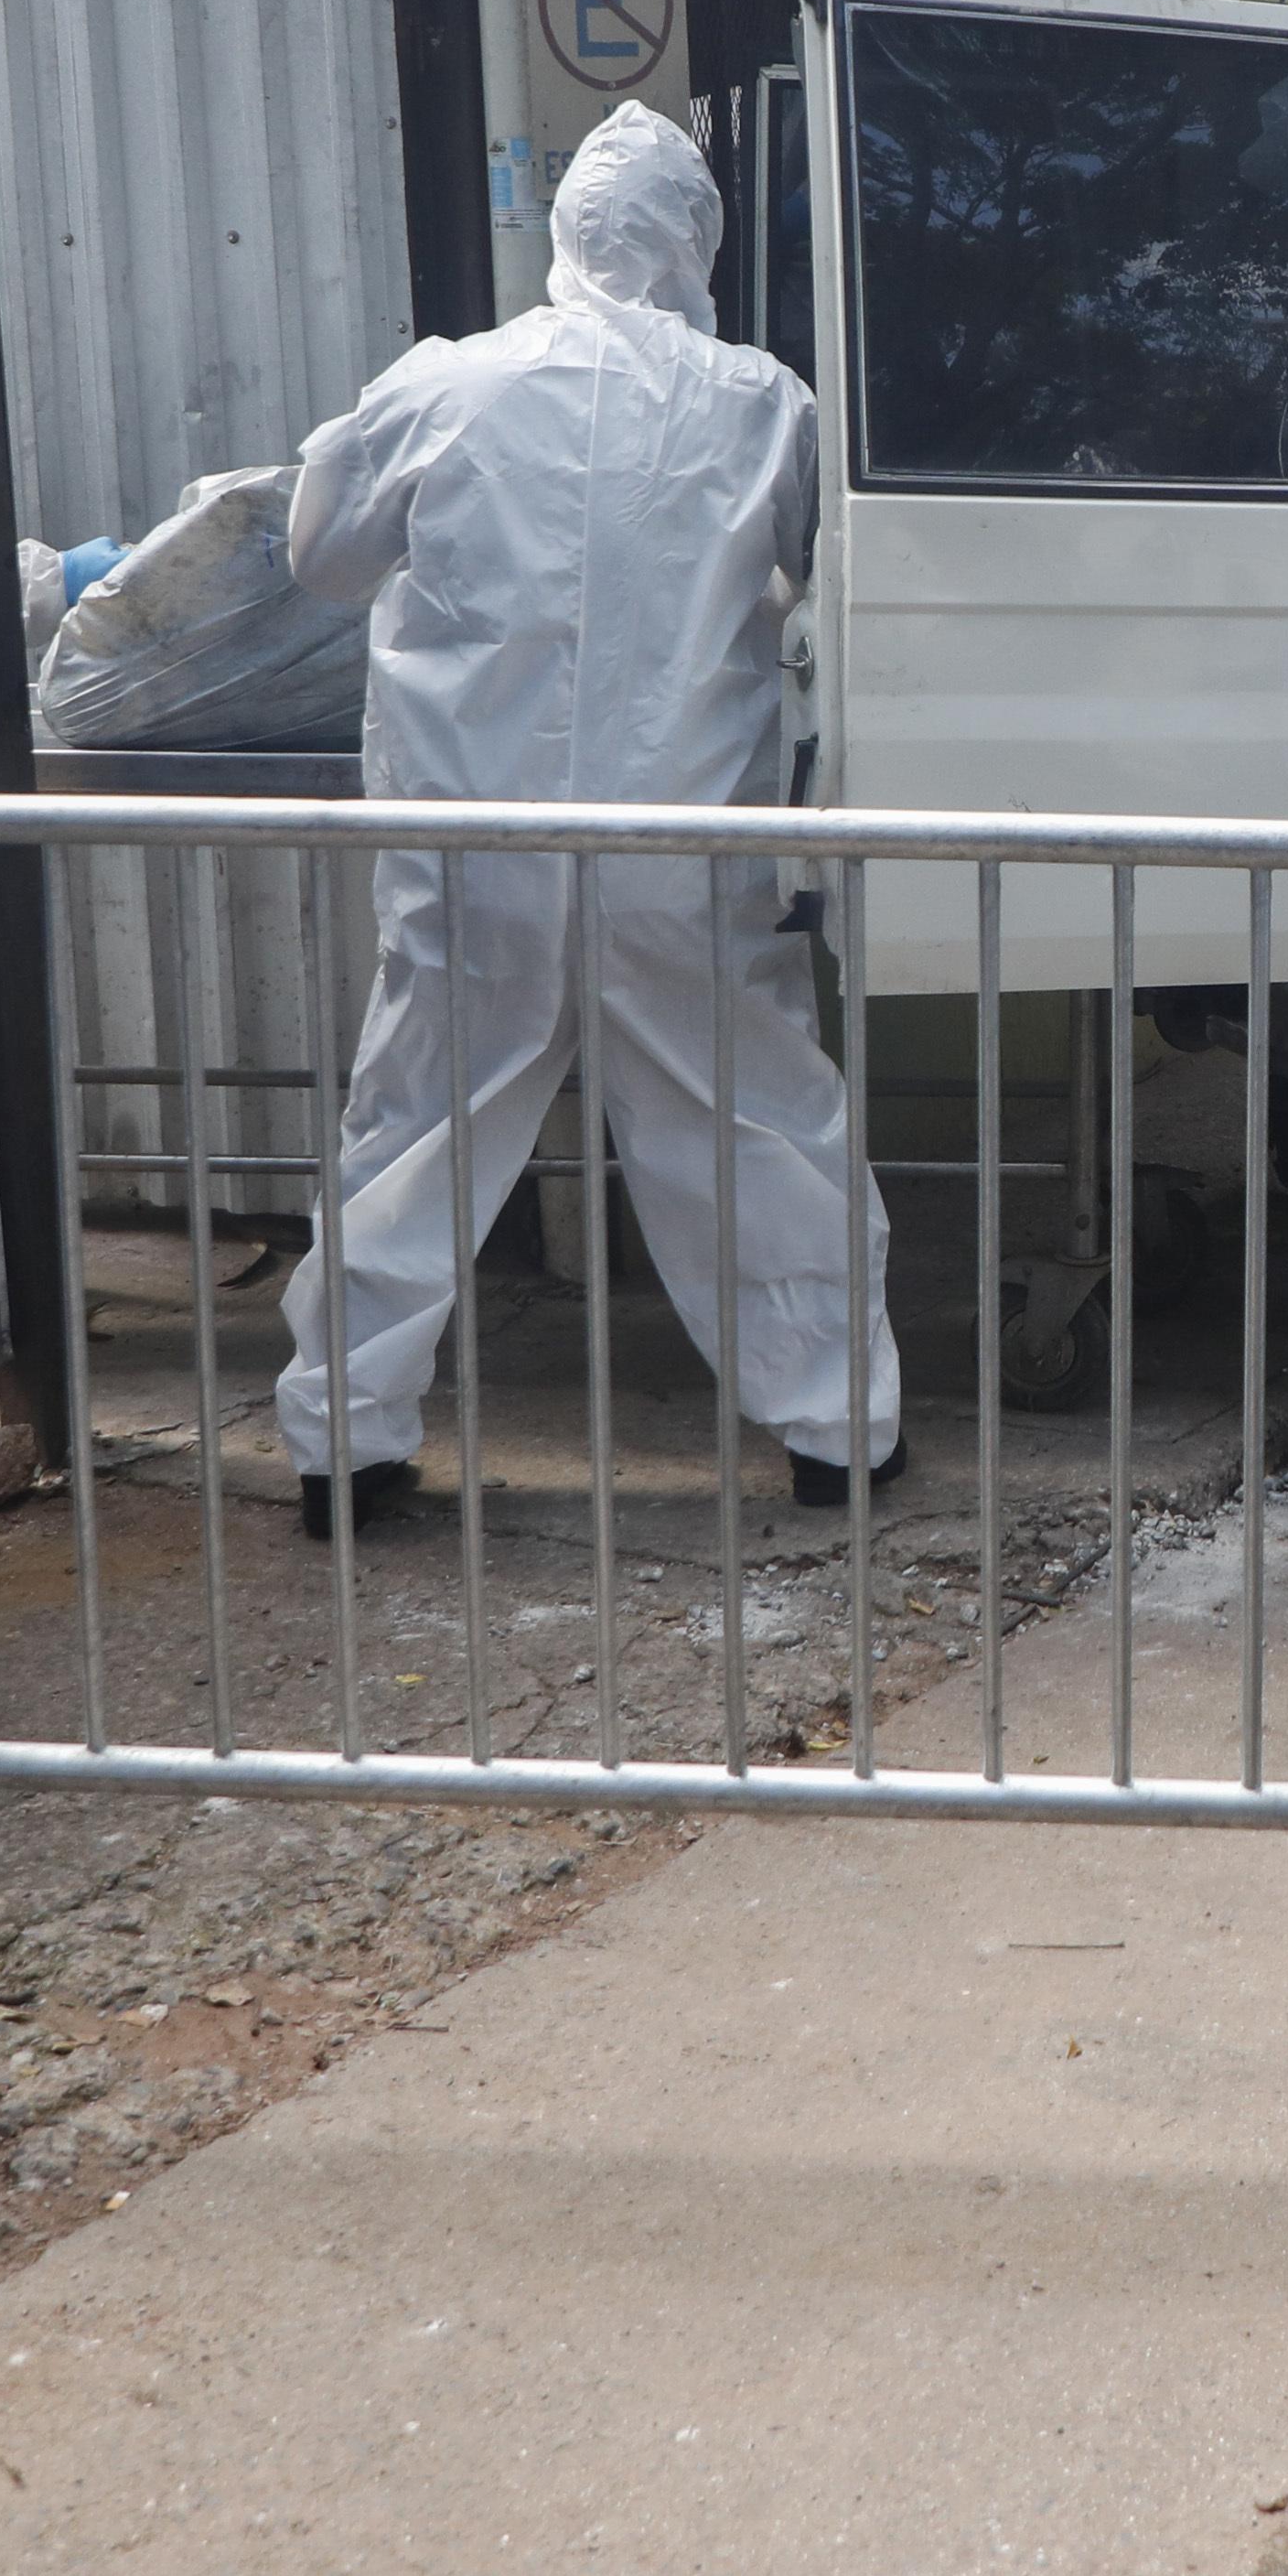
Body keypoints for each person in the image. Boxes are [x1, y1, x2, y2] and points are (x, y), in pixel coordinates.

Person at [274, 108, 901, 1522]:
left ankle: (345, 1451)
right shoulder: (765, 401)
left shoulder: (447, 385)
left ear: (563, 236)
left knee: (417, 1128)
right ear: (697, 240)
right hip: (688, 851)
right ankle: (838, 1434)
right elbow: (835, 581)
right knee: (754, 1124)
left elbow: (319, 561)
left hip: (475, 842)